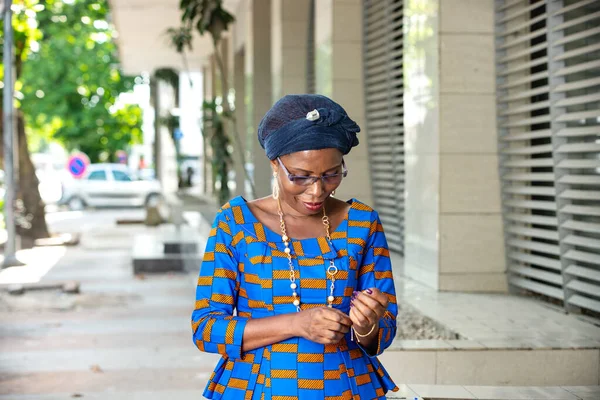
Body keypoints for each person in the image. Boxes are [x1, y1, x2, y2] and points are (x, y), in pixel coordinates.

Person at [192, 94, 399, 399]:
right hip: (259, 388)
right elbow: (206, 329)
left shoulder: (362, 223)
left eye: (331, 174)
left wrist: (368, 325)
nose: (316, 191)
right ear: (275, 163)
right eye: (300, 177)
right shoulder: (235, 224)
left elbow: (384, 331)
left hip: (347, 388)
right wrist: (296, 323)